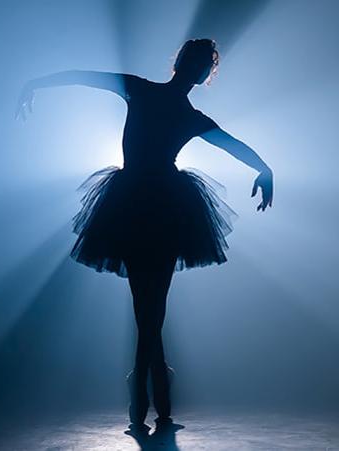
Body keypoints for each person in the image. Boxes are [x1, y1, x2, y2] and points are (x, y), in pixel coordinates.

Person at [16, 38, 273, 434]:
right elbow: (88, 78)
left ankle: (145, 387)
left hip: (158, 206)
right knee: (148, 304)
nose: (198, 69)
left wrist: (265, 168)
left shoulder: (176, 108)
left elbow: (231, 144)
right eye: (198, 63)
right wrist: (36, 82)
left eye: (203, 65)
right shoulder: (153, 96)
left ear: (202, 72)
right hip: (144, 204)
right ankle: (153, 386)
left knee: (151, 305)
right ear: (191, 67)